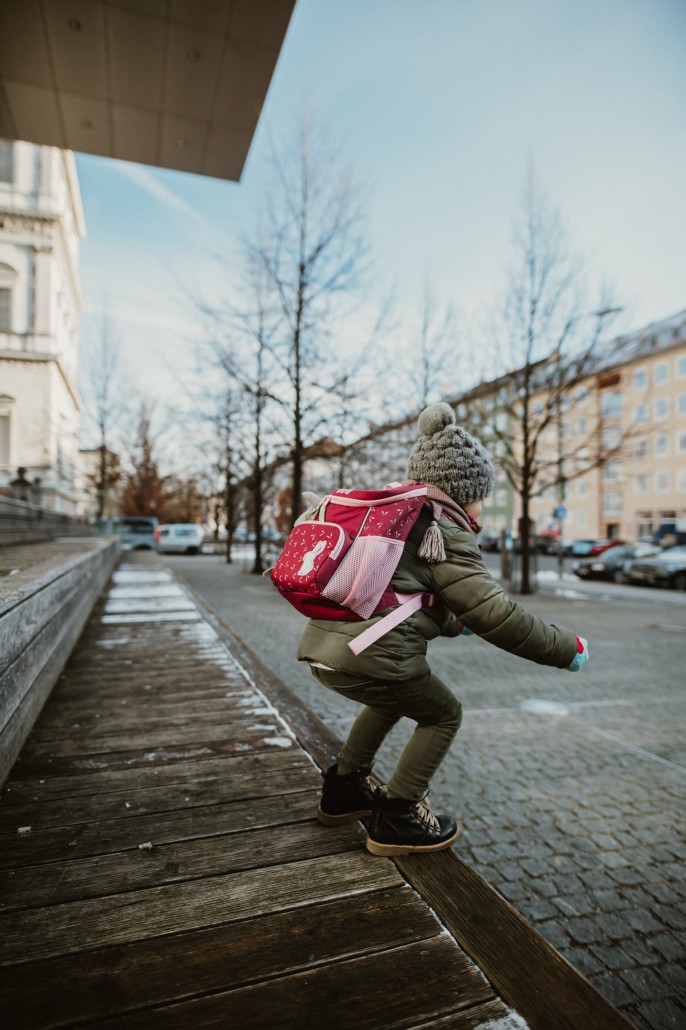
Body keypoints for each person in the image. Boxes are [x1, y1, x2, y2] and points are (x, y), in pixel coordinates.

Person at [297, 402, 589, 857]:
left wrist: (458, 622)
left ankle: (343, 790)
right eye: (480, 495)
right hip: (375, 656)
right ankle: (397, 817)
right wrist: (565, 647)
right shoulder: (444, 529)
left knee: (391, 702)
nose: (480, 507)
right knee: (442, 713)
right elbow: (499, 616)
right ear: (463, 489)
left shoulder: (400, 517)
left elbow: (411, 595)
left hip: (325, 650)